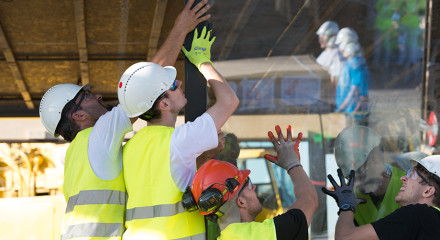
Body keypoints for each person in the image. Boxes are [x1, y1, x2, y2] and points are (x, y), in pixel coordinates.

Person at [38, 1, 211, 239]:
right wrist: (180, 29)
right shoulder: (97, 137)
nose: (97, 95)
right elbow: (148, 83)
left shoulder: (74, 156)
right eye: (87, 96)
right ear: (78, 115)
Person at [118, 24, 239, 239]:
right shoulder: (179, 141)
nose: (181, 82)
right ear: (163, 105)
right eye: (173, 85)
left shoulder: (129, 148)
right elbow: (229, 100)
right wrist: (202, 61)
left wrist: (204, 157)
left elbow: (170, 180)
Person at [182, 125, 318, 239]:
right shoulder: (254, 236)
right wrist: (292, 163)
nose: (255, 188)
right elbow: (309, 201)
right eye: (249, 185)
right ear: (241, 201)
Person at [322, 155, 440, 239]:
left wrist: (346, 204)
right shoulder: (432, 222)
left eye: (412, 174)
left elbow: (344, 237)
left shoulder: (416, 215)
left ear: (428, 191)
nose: (403, 178)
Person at [335, 29, 369, 126]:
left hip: (354, 114)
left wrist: (340, 109)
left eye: (340, 45)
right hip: (349, 112)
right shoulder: (351, 64)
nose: (339, 49)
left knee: (355, 140)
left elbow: (354, 91)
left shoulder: (356, 65)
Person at [315, 21, 344, 86]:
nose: (320, 41)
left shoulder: (336, 54)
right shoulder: (326, 53)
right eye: (319, 38)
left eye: (322, 38)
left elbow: (336, 79)